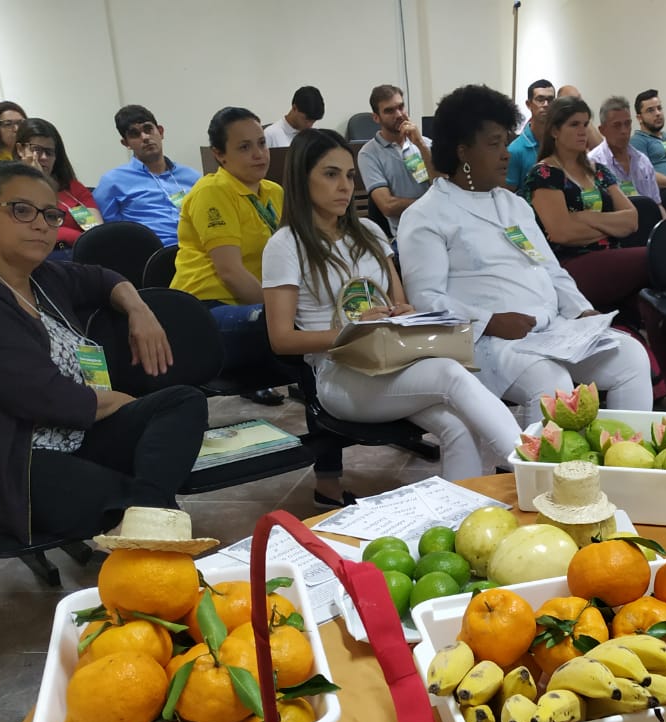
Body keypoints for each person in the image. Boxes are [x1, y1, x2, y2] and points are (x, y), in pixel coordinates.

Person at [0, 162, 205, 547]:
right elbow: (39, 396)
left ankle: (145, 516)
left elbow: (103, 278)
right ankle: (148, 516)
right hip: (11, 462)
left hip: (75, 436)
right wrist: (123, 404)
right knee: (131, 494)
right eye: (21, 210)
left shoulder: (39, 275)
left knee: (183, 402)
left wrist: (139, 310)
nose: (41, 224)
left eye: (50, 214)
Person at [263, 129, 520, 494]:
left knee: (457, 426)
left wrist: (401, 312)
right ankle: (536, 469)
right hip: (340, 375)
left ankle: (461, 522)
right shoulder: (285, 245)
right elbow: (281, 339)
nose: (345, 186)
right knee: (450, 373)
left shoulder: (368, 231)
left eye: (350, 175)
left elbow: (403, 305)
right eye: (330, 174)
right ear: (302, 179)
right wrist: (354, 330)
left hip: (394, 361)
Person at [397, 84, 653, 426]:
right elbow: (426, 300)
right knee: (551, 383)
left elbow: (551, 268)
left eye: (506, 142)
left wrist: (581, 311)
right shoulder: (427, 214)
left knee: (631, 357)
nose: (506, 154)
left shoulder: (514, 205)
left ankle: (624, 466)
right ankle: (538, 476)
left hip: (552, 330)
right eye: (493, 145)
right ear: (462, 152)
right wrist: (491, 320)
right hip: (486, 341)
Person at [522, 96, 666, 411]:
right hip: (570, 269)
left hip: (610, 264)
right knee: (653, 259)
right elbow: (560, 232)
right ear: (555, 131)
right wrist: (607, 226)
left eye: (585, 124)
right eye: (574, 125)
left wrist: (584, 218)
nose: (583, 131)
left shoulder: (598, 171)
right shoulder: (544, 174)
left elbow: (632, 219)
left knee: (656, 303)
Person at [171, 107, 284, 401]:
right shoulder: (213, 192)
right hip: (204, 309)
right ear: (220, 154)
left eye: (261, 143)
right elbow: (230, 272)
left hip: (255, 302)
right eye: (244, 147)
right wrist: (284, 310)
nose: (259, 154)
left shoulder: (274, 192)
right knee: (282, 324)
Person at [93, 105, 203, 247]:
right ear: (126, 143)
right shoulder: (113, 182)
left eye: (148, 129)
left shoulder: (192, 177)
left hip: (198, 252)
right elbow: (108, 233)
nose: (144, 137)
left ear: (161, 132)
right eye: (134, 134)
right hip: (152, 257)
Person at [14, 119, 103, 256]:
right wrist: (36, 180)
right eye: (36, 150)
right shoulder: (10, 189)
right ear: (20, 150)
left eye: (49, 152)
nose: (43, 157)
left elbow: (96, 231)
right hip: (40, 258)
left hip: (82, 254)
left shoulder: (72, 188)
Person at [358, 84, 436, 237]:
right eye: (389, 111)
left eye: (401, 107)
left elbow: (441, 184)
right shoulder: (368, 154)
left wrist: (420, 144)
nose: (399, 114)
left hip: (440, 224)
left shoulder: (425, 144)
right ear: (376, 117)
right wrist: (433, 205)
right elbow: (387, 205)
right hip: (407, 233)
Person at [587, 95, 663, 212]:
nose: (624, 131)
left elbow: (657, 205)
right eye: (617, 125)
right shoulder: (592, 163)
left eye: (627, 124)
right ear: (602, 130)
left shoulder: (642, 161)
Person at [506, 79, 556, 191]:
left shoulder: (561, 143)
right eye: (540, 99)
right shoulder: (515, 150)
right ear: (529, 105)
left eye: (550, 100)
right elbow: (507, 194)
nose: (546, 104)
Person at [630, 89, 666, 191]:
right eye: (651, 110)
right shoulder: (637, 141)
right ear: (639, 118)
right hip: (661, 193)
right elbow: (644, 175)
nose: (658, 113)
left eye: (659, 108)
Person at [557, 85, 602, 149]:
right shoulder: (557, 124)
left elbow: (601, 151)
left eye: (579, 99)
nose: (577, 104)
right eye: (572, 100)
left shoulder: (586, 123)